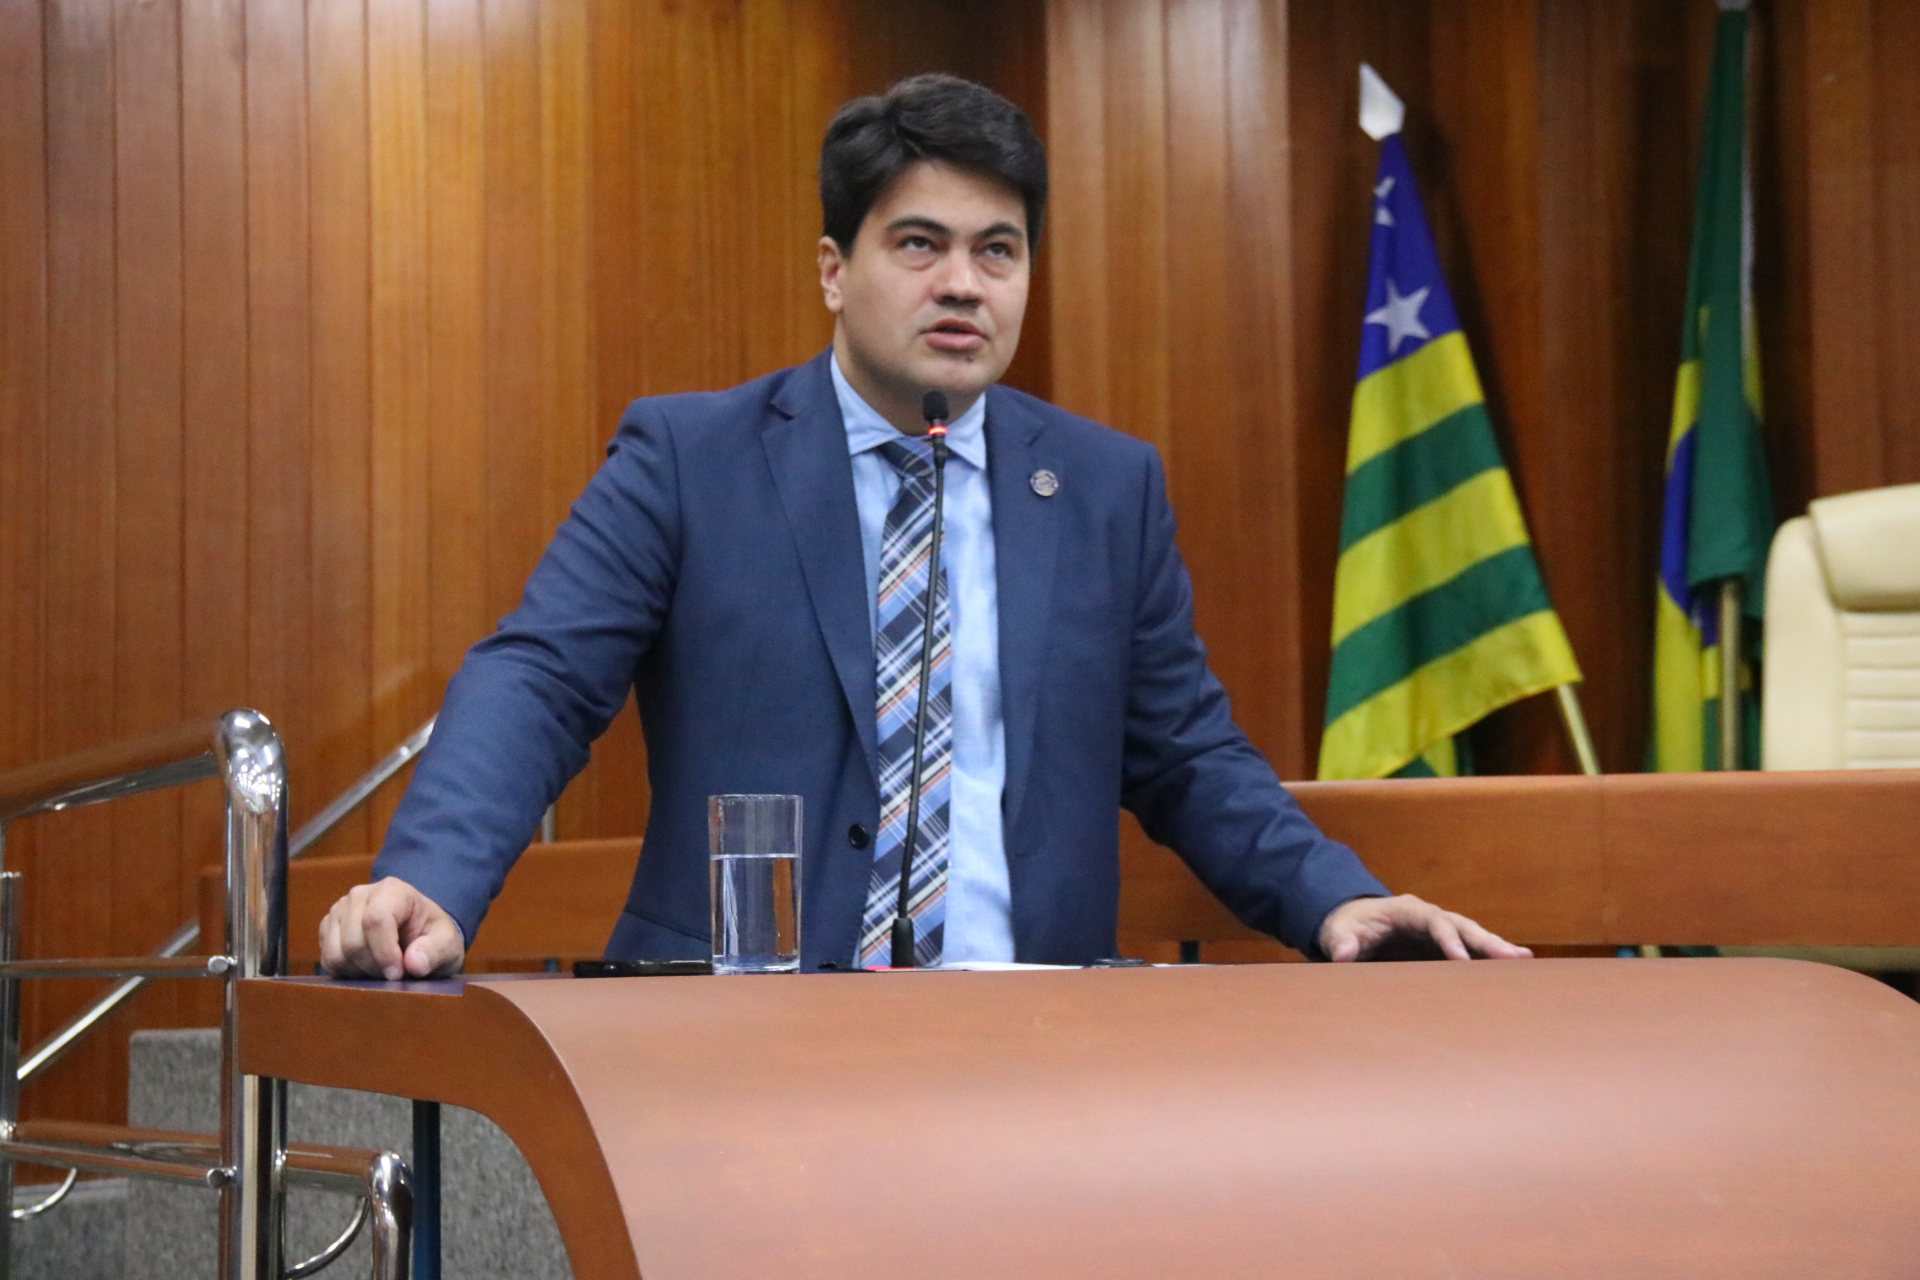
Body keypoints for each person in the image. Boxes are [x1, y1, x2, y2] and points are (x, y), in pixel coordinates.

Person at [321, 74, 1530, 980]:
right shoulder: (691, 459)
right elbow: (539, 677)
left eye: (998, 251)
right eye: (920, 244)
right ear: (833, 270)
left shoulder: (1106, 486)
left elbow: (1187, 755)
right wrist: (433, 878)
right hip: (737, 1036)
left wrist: (1333, 897)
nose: (963, 283)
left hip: (1034, 1036)